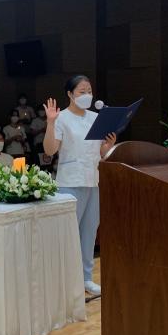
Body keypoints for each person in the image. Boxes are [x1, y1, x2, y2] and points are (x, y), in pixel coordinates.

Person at [43, 75, 117, 297]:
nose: (87, 95)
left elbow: (100, 153)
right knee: (68, 234)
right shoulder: (61, 118)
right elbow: (49, 150)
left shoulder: (96, 117)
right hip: (69, 182)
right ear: (69, 94)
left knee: (89, 231)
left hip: (92, 180)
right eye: (81, 91)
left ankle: (86, 278)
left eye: (89, 91)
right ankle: (65, 280)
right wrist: (50, 122)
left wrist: (108, 146)